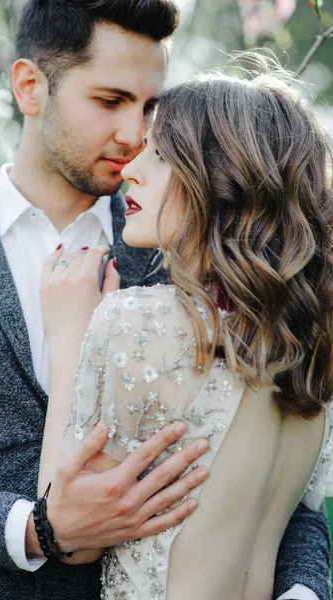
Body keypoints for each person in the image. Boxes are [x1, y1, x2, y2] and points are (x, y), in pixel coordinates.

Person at [0, 0, 329, 596]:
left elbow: (281, 491)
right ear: (30, 87)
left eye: (151, 107)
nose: (134, 135)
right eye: (110, 101)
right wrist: (30, 530)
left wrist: (304, 592)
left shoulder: (201, 248)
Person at [38, 58, 333, 600]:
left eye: (159, 154)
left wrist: (67, 342)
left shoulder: (134, 322)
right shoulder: (311, 343)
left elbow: (71, 533)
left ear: (223, 179)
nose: (131, 168)